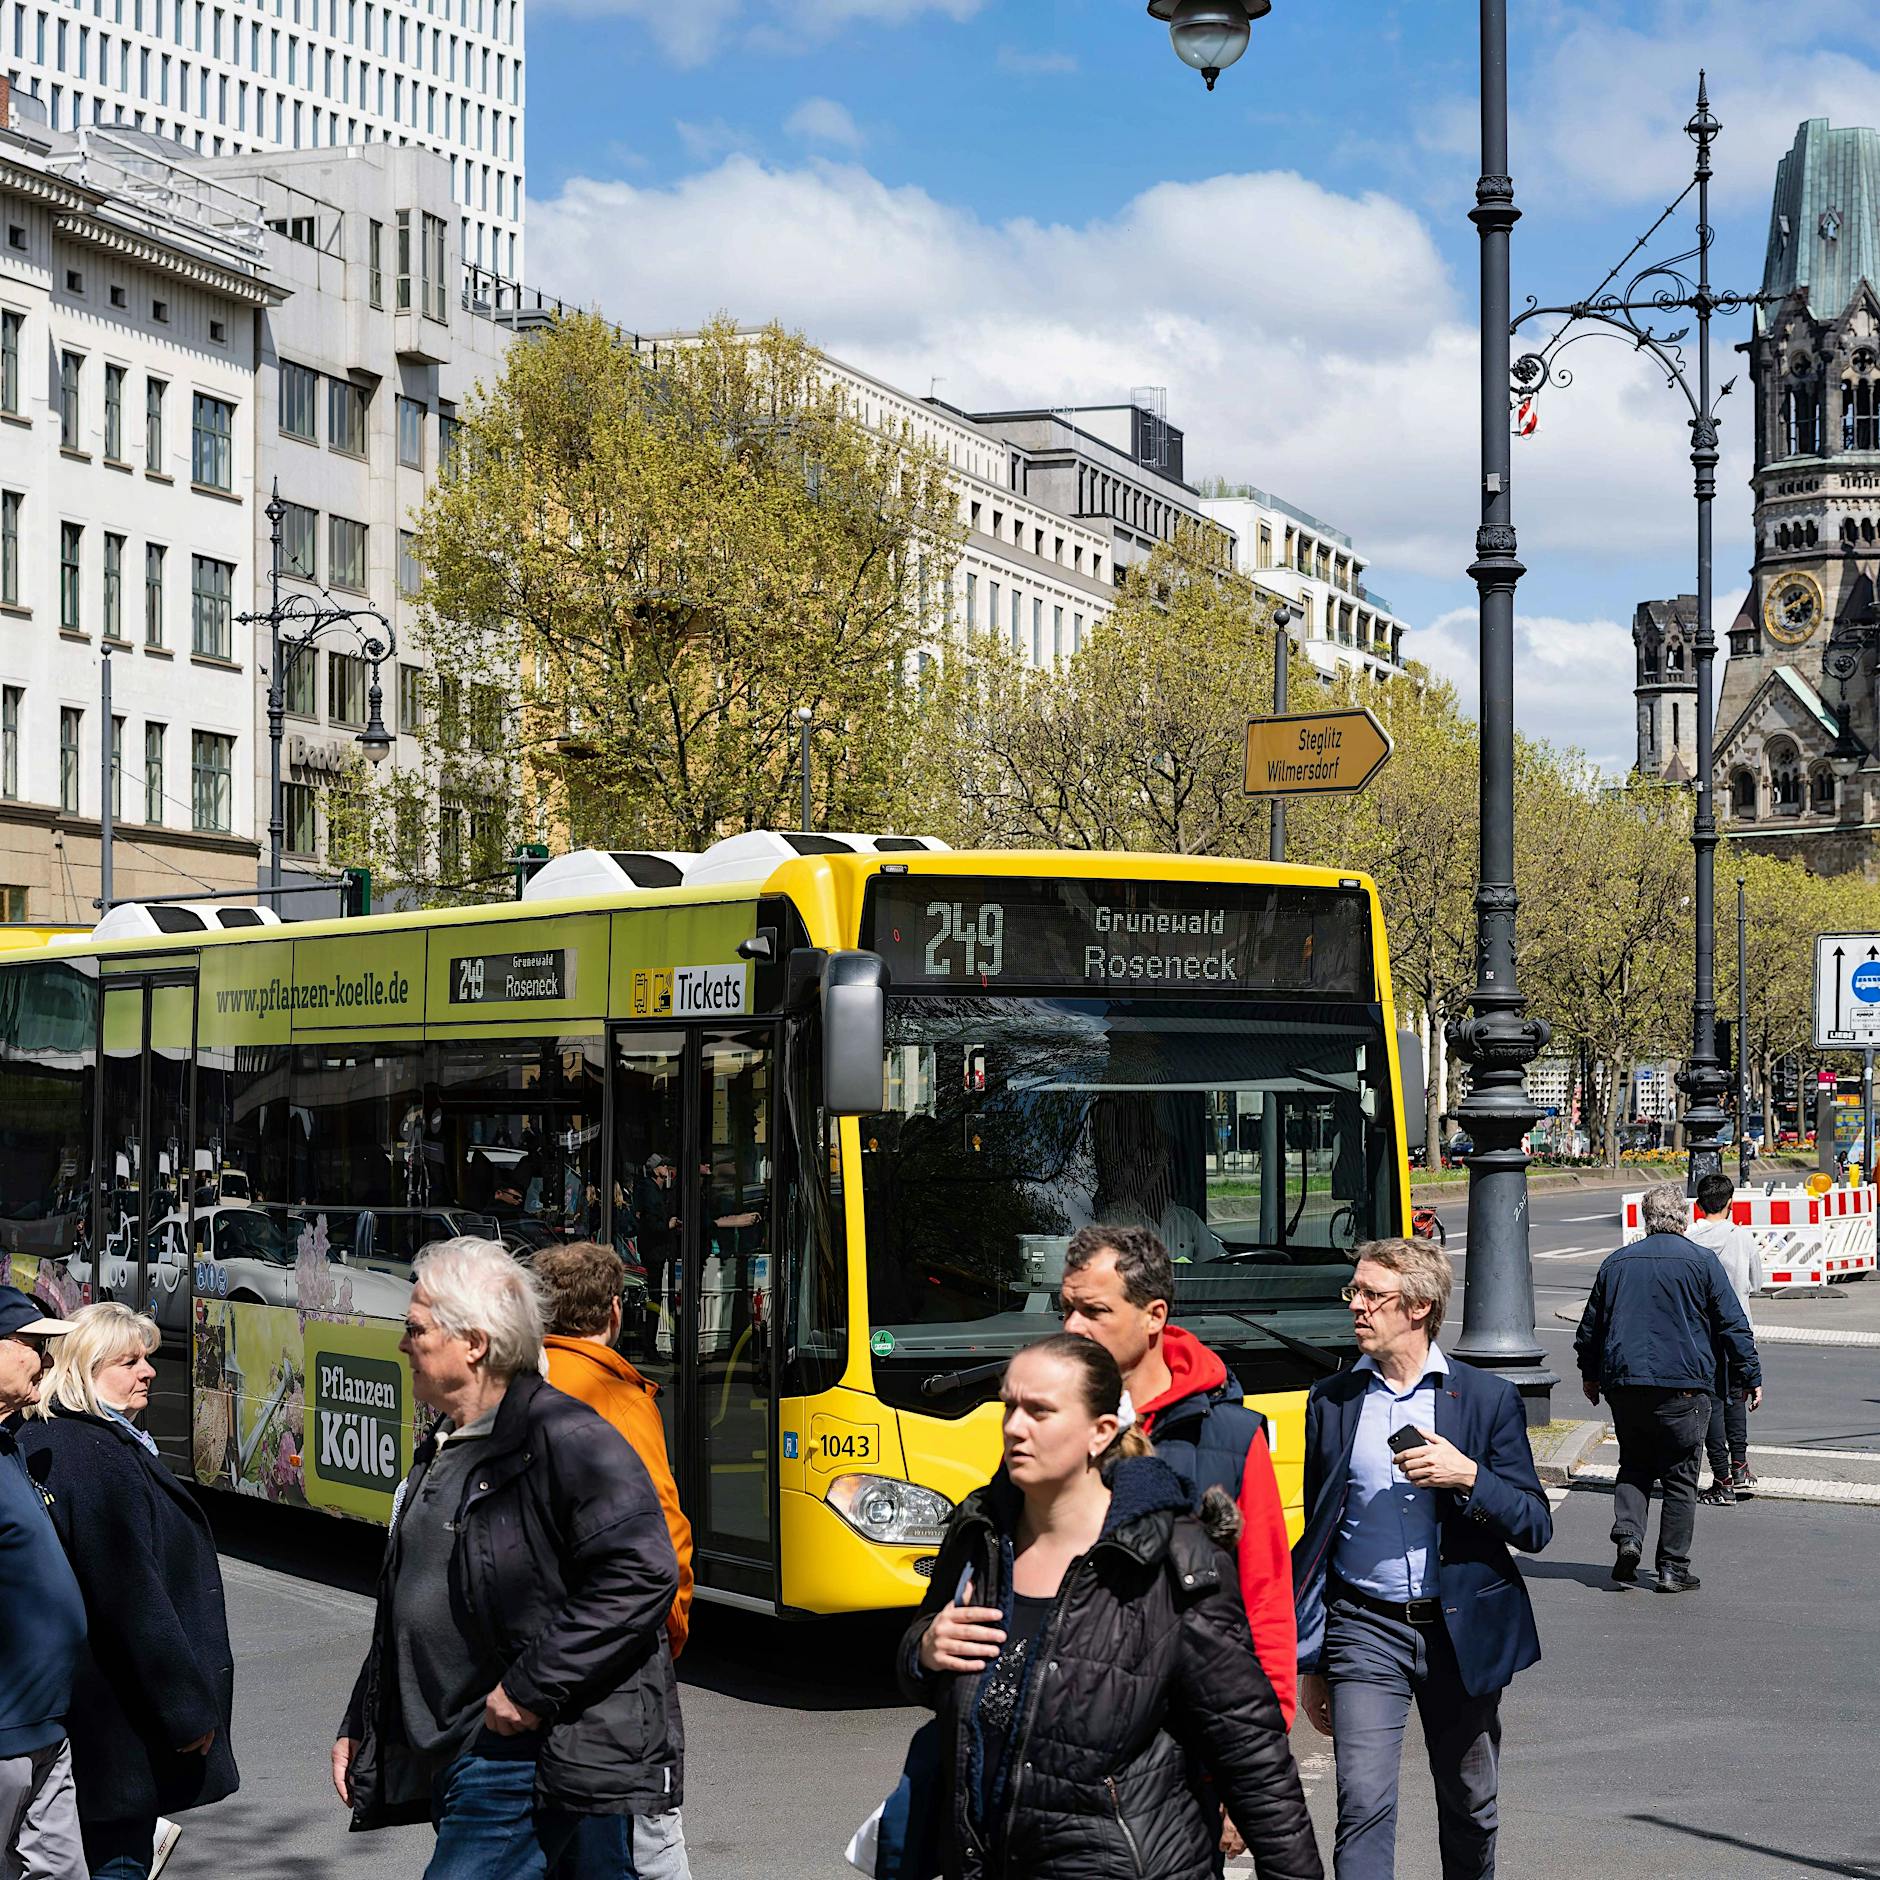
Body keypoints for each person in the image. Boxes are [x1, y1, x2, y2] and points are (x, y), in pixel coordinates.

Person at [901, 1333, 1322, 1880]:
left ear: (1101, 1432)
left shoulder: (1171, 1558)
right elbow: (920, 1670)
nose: (1014, 1427)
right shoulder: (980, 1534)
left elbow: (1254, 1760)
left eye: (1040, 1411)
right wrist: (924, 1650)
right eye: (1009, 1406)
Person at [333, 1237, 681, 1878]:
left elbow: (644, 1572)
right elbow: (414, 1592)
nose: (403, 1345)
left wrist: (527, 1690)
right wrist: (364, 1716)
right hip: (459, 1753)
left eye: (415, 1329)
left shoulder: (565, 1437)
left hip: (518, 1750)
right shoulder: (446, 1439)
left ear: (474, 1343)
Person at [1294, 1237, 1552, 1880]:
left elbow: (1535, 1524)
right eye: (1353, 1292)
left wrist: (1469, 1477)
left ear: (1419, 1307)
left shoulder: (1486, 1400)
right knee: (1362, 1803)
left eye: (1370, 1295)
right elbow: (1320, 1537)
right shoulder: (1332, 1401)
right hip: (1364, 1626)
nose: (1355, 1306)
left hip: (1457, 1631)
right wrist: (1315, 1661)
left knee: (1469, 1803)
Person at [14, 1302, 238, 1880]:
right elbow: (130, 1595)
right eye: (128, 1360)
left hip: (93, 1713)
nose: (149, 1371)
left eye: (148, 1357)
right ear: (85, 1369)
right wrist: (187, 1710)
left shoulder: (73, 1441)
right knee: (117, 1858)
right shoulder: (90, 1454)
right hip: (117, 1722)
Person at [1058, 1224, 1297, 1728]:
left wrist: (1263, 1745)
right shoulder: (1043, 1427)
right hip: (1070, 1735)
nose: (1074, 1328)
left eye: (1095, 1311)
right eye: (1067, 1309)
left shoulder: (1231, 1437)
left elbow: (1266, 1599)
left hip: (1189, 1741)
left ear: (1154, 1316)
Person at [534, 1239, 693, 1880]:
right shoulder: (618, 1399)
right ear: (616, 1312)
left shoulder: (514, 1382)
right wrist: (671, 1627)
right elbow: (664, 1534)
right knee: (643, 1836)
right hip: (611, 1652)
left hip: (529, 1649)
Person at [1576, 1182, 1762, 1594]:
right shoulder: (1701, 1262)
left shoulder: (1616, 1263)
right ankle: (1672, 1567)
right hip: (1684, 1387)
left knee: (1635, 1464)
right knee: (1680, 1476)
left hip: (1626, 1385)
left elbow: (1590, 1330)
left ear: (1646, 1218)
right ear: (1683, 1217)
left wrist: (1590, 1375)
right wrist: (1750, 1375)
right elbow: (1733, 1324)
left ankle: (1629, 1536)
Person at [0, 1285, 84, 1880]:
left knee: (61, 1871)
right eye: (33, 1345)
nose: (47, 1360)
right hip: (3, 1729)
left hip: (46, 1720)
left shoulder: (8, 1445)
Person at [1685, 1173, 1764, 1506]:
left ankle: (1722, 1479)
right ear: (1731, 1202)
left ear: (1699, 1205)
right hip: (1738, 1329)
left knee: (1712, 1402)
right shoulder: (1742, 1238)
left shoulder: (1689, 1238)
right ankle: (1741, 1466)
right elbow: (1757, 1283)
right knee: (1736, 1396)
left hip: (1703, 1332)